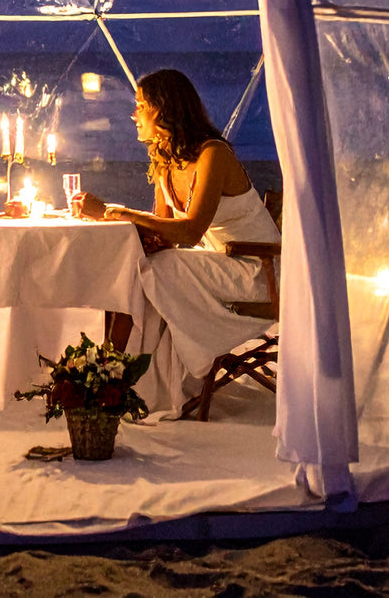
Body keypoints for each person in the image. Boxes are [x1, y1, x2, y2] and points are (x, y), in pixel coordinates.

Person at [73, 68, 280, 414]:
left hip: (260, 272)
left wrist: (116, 212)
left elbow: (189, 231)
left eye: (142, 106)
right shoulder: (165, 162)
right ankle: (111, 375)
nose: (134, 114)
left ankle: (110, 376)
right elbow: (163, 232)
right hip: (222, 264)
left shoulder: (214, 154)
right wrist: (121, 226)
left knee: (155, 269)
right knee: (136, 266)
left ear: (165, 110)